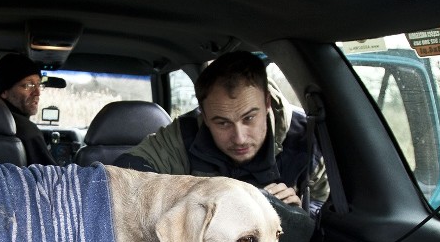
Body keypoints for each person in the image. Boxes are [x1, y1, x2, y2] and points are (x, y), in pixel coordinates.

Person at [114, 51, 329, 214]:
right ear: (205, 117)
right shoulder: (184, 133)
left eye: (249, 118)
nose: (239, 138)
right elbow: (124, 174)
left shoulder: (308, 140)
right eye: (222, 123)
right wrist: (192, 201)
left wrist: (298, 213)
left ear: (267, 104)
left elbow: (323, 208)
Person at [0, 53, 58, 165]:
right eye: (28, 85)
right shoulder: (27, 132)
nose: (38, 92)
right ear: (4, 91)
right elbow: (52, 179)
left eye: (39, 85)